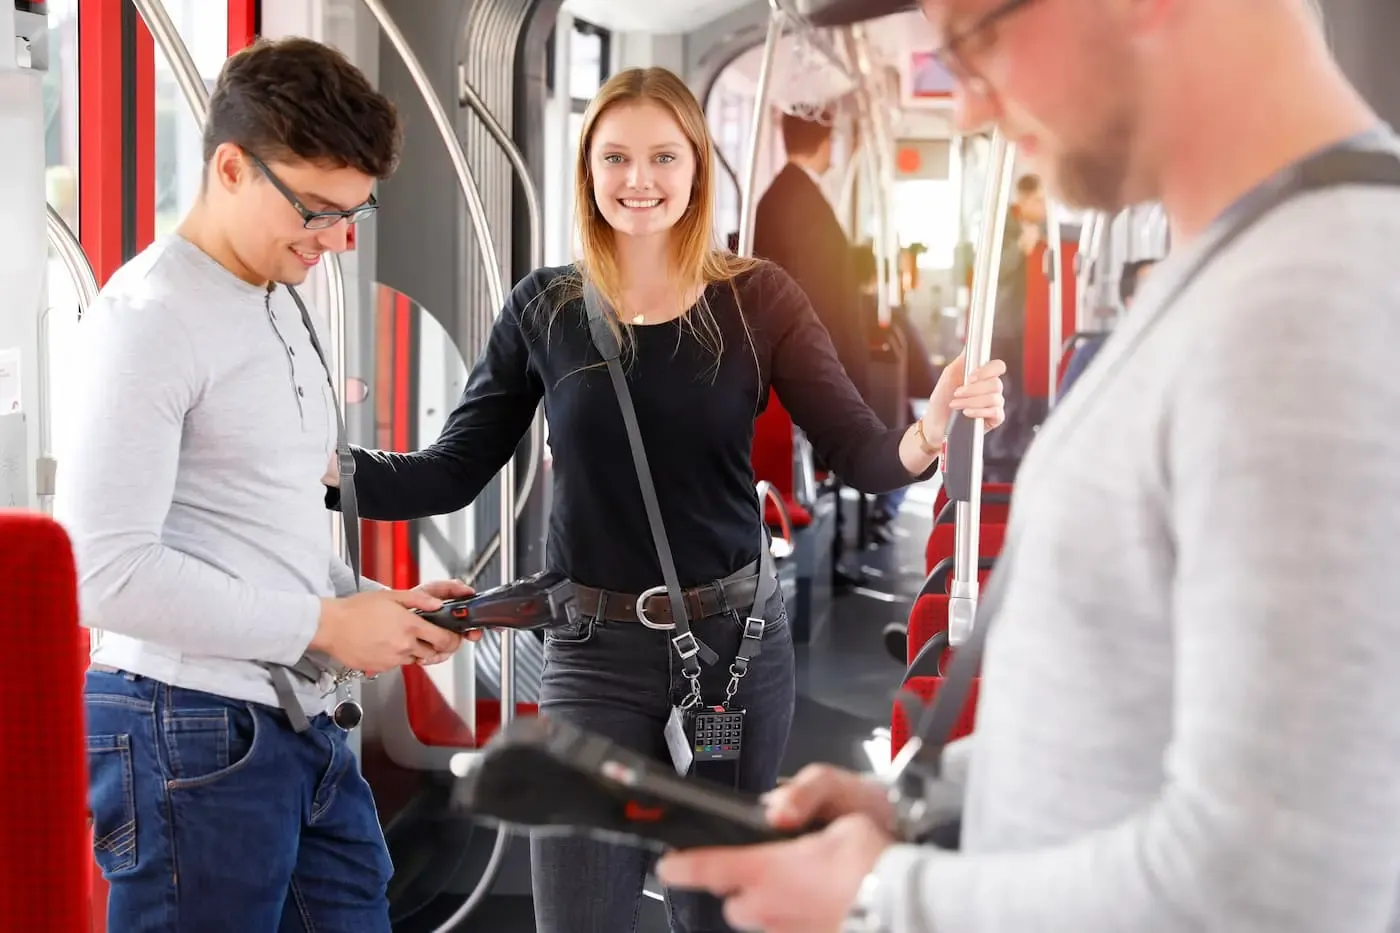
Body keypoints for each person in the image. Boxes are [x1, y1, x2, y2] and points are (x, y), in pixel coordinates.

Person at [656, 1, 1400, 931]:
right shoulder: (1231, 275)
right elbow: (1134, 716)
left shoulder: (1308, 309)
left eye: (975, 36)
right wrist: (921, 796)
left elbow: (1274, 888)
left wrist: (879, 897)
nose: (965, 107)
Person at [323, 66, 1005, 933]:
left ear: (694, 169)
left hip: (731, 652)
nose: (637, 180)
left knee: (715, 911)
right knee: (577, 914)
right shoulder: (547, 306)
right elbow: (453, 469)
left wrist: (932, 429)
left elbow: (864, 453)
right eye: (615, 158)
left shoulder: (758, 299)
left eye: (661, 157)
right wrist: (324, 469)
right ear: (589, 170)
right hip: (588, 651)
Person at [56, 38, 471, 932]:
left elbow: (258, 522)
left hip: (300, 720)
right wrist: (328, 625)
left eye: (355, 212)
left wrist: (374, 605)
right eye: (318, 210)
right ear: (231, 167)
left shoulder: (280, 295)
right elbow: (104, 572)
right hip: (186, 729)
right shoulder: (147, 322)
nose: (338, 238)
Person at [754, 111, 875, 585]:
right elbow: (820, 290)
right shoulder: (797, 200)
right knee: (831, 444)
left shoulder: (783, 196)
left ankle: (839, 557)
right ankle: (835, 565)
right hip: (808, 353)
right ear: (824, 143)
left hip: (804, 348)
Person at [982, 171, 1047, 482]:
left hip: (1025, 324)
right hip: (1003, 323)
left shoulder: (1037, 228)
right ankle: (997, 452)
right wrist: (1020, 248)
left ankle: (1014, 449)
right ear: (1022, 199)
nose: (1043, 207)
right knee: (1007, 391)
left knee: (1021, 388)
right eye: (1037, 200)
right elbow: (993, 270)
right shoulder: (1004, 227)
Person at [1058, 257, 1157, 397]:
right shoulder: (1093, 356)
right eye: (1150, 287)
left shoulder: (1183, 353)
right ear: (1131, 302)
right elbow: (1064, 414)